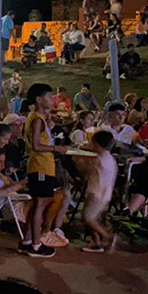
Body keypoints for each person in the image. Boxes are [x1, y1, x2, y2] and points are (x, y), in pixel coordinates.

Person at [21, 84, 66, 258]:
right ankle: (36, 245)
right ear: (39, 100)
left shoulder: (38, 118)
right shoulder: (37, 119)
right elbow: (36, 145)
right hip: (40, 166)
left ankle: (27, 241)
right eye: (49, 97)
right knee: (40, 204)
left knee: (38, 203)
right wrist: (56, 149)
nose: (52, 100)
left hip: (43, 166)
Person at [77, 129, 117, 252]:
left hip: (97, 195)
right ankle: (97, 243)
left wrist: (81, 162)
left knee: (88, 219)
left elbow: (87, 173)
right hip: (104, 194)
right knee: (92, 219)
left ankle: (108, 237)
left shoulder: (100, 160)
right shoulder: (110, 158)